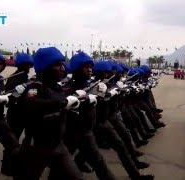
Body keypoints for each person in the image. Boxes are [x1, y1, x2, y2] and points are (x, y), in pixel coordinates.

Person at [12, 47, 83, 180]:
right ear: (45, 67)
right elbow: (31, 104)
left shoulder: (56, 86)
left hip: (58, 145)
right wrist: (62, 103)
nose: (62, 68)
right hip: (37, 147)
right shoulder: (35, 87)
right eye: (57, 65)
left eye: (62, 64)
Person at [60, 51, 117, 180]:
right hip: (72, 132)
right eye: (86, 67)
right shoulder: (68, 86)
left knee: (99, 163)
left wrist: (105, 92)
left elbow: (104, 98)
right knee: (61, 167)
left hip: (87, 131)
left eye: (91, 67)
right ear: (77, 68)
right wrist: (78, 98)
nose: (90, 70)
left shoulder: (90, 84)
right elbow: (62, 103)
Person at [2, 52, 34, 175]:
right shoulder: (13, 78)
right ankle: (7, 167)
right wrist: (16, 94)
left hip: (26, 112)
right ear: (21, 65)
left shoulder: (26, 78)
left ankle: (19, 163)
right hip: (15, 114)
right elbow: (8, 98)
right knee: (12, 142)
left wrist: (32, 89)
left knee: (25, 140)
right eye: (27, 65)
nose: (29, 68)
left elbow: (31, 96)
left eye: (30, 65)